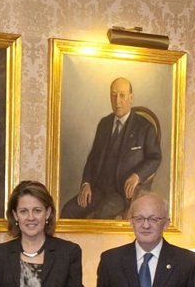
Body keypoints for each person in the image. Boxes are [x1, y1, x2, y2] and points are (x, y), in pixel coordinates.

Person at [61, 77, 162, 220]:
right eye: (113, 95)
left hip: (122, 193)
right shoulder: (104, 124)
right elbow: (92, 158)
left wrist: (137, 175)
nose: (117, 101)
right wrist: (86, 183)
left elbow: (155, 158)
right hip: (97, 190)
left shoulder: (144, 127)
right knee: (68, 210)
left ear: (131, 98)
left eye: (122, 95)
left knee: (101, 215)